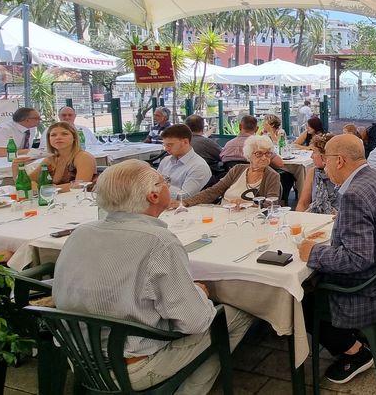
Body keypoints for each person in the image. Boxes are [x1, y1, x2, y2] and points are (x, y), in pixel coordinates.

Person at [52, 159, 254, 395]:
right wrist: (200, 292)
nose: (167, 184)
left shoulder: (80, 233)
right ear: (153, 196)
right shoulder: (159, 242)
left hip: (78, 355)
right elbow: (195, 321)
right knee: (238, 314)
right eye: (164, 181)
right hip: (129, 366)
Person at [297, 135, 376, 384]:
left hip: (367, 288)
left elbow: (356, 259)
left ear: (339, 161)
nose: (323, 166)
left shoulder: (353, 195)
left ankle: (354, 351)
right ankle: (354, 336)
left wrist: (312, 252)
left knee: (298, 298)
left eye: (325, 159)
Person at [176, 135, 281, 208]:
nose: (264, 158)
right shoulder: (237, 169)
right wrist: (185, 202)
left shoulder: (272, 176)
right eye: (259, 154)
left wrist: (248, 205)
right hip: (224, 211)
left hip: (249, 217)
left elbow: (271, 204)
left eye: (268, 153)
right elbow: (214, 191)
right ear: (249, 155)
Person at [13, 122, 95, 188]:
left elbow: (80, 185)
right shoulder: (50, 159)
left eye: (64, 134)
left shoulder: (83, 157)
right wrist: (16, 167)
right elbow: (25, 183)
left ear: (74, 138)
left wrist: (47, 189)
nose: (58, 137)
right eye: (53, 135)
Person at [157, 124, 212, 200]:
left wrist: (162, 185)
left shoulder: (199, 166)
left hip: (186, 208)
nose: (166, 149)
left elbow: (184, 197)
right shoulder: (166, 160)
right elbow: (153, 184)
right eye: (164, 145)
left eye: (169, 145)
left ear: (185, 142)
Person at [296, 133, 339, 214]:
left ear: (325, 155)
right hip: (315, 218)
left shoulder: (342, 174)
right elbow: (303, 204)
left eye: (314, 152)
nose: (311, 156)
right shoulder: (313, 172)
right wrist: (299, 220)